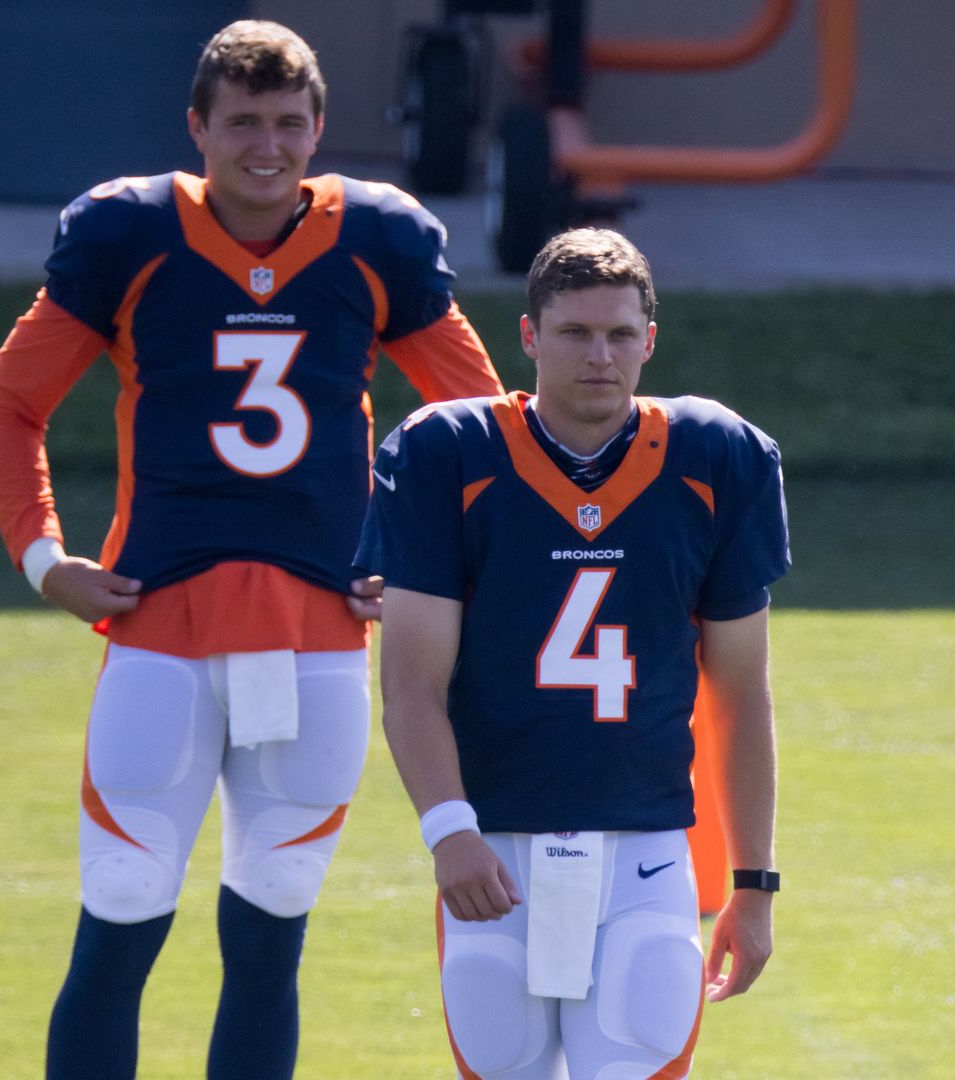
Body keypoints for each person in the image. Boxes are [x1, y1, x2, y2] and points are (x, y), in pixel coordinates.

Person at [0, 21, 502, 1079]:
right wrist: (44, 558)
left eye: (289, 123)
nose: (268, 145)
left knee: (268, 944)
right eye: (243, 123)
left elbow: (480, 428)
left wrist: (424, 557)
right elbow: (7, 405)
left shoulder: (377, 238)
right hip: (159, 632)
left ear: (320, 129)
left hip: (315, 647)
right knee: (118, 925)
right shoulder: (130, 232)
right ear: (197, 128)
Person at [357, 227, 788, 1079]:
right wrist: (449, 832)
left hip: (648, 850)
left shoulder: (716, 456)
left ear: (650, 341)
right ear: (528, 337)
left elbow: (741, 695)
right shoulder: (451, 453)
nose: (601, 356)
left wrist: (755, 881)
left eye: (621, 335)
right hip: (494, 852)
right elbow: (411, 683)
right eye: (575, 333)